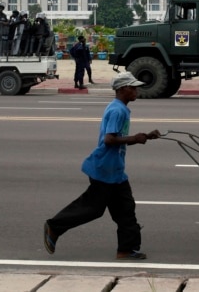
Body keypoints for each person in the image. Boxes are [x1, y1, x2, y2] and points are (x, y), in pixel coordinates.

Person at [44, 71, 162, 260]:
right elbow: (109, 140)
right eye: (133, 88)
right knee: (93, 208)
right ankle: (54, 226)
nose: (137, 91)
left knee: (125, 209)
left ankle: (126, 249)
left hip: (114, 171)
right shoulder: (117, 110)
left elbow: (118, 138)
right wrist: (135, 138)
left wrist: (145, 136)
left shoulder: (120, 108)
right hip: (105, 169)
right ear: (123, 89)